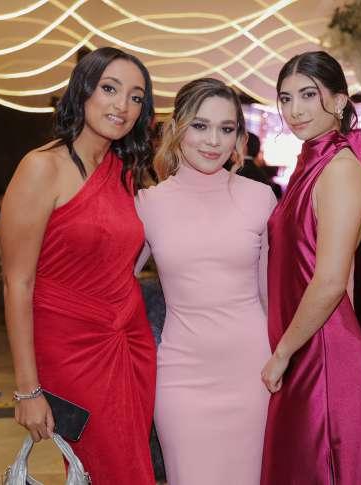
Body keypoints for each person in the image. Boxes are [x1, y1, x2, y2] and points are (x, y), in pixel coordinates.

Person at [0, 47, 157, 485]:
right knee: (113, 468)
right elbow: (17, 282)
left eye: (136, 97)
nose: (122, 105)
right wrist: (28, 390)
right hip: (71, 348)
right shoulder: (41, 167)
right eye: (109, 89)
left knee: (127, 464)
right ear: (82, 90)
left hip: (130, 341)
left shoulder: (124, 171)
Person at [135, 78, 276, 485]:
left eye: (226, 128)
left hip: (253, 372)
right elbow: (113, 284)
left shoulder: (260, 198)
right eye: (200, 126)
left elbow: (271, 297)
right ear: (177, 127)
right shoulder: (148, 204)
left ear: (238, 136)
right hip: (181, 376)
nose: (214, 141)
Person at [260, 51, 361, 485]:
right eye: (285, 98)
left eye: (308, 95)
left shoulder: (340, 170)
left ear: (338, 101)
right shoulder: (311, 164)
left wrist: (282, 353)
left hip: (322, 349)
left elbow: (332, 280)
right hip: (304, 339)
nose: (294, 110)